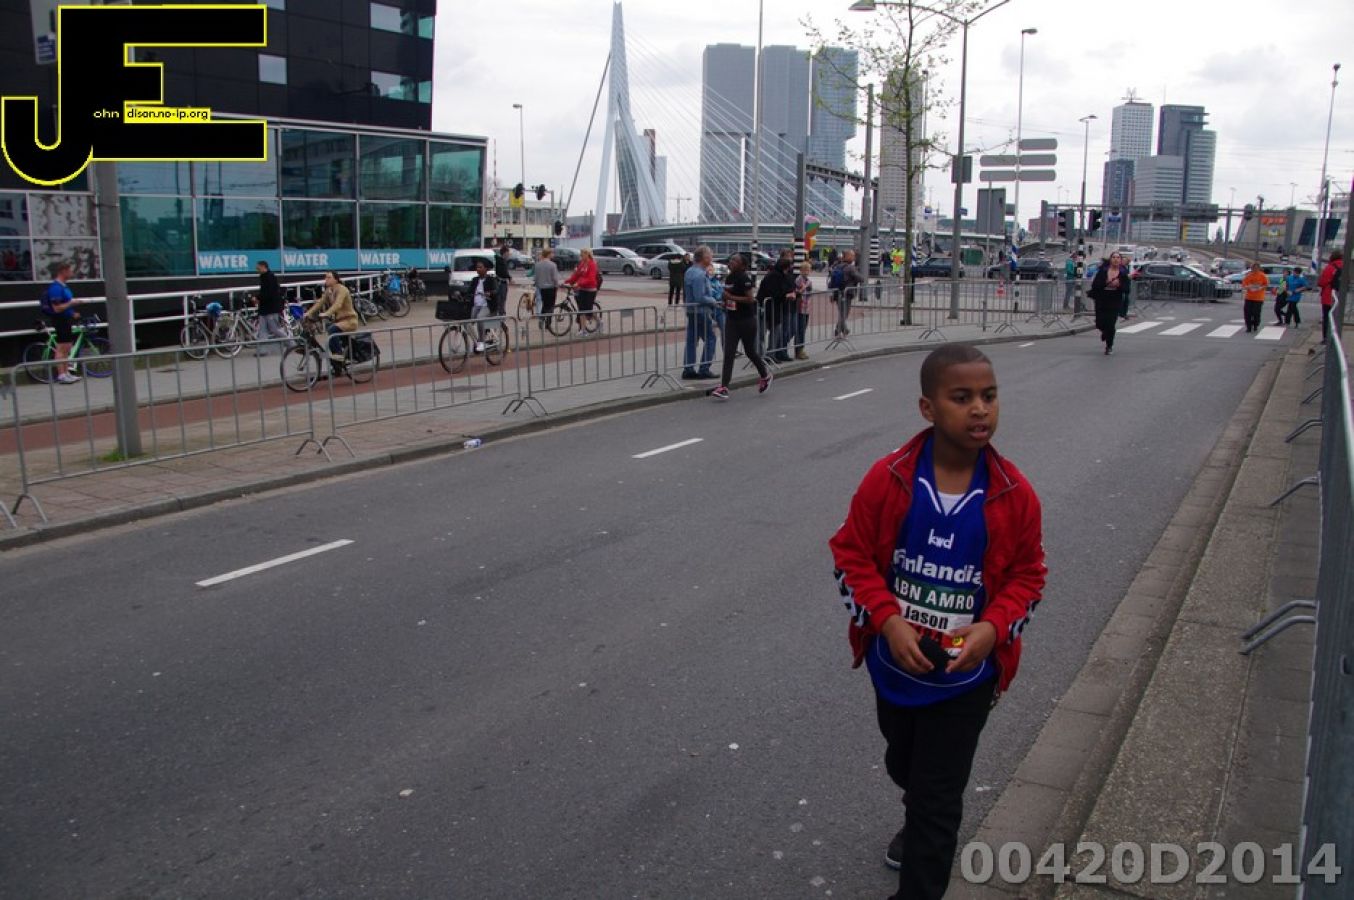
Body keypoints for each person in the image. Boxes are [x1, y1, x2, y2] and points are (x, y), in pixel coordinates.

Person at [829, 343, 1046, 900]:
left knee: (938, 796)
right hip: (897, 664)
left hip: (966, 675)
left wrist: (992, 629)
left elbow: (1028, 577)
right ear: (928, 408)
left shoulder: (1014, 494)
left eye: (989, 396)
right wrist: (887, 621)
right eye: (962, 397)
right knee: (904, 762)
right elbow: (851, 555)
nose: (980, 409)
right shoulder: (889, 479)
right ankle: (915, 802)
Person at [710, 253, 771, 400]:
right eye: (731, 259)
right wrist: (725, 301)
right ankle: (724, 387)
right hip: (732, 320)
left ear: (743, 265)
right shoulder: (729, 277)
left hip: (746, 320)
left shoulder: (744, 279)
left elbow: (750, 299)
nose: (731, 262)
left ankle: (765, 375)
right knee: (729, 353)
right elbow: (727, 294)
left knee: (750, 351)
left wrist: (731, 297)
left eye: (735, 261)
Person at [303, 271, 358, 367]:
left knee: (331, 330)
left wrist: (327, 313)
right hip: (339, 321)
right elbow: (320, 303)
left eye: (329, 278)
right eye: (325, 277)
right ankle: (337, 364)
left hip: (349, 320)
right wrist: (308, 313)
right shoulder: (329, 291)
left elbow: (338, 304)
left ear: (336, 279)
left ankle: (339, 355)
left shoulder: (342, 289)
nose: (326, 279)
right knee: (330, 332)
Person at [40, 261, 81, 383]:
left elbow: (64, 305)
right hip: (59, 319)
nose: (72, 273)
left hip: (65, 318)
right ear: (63, 271)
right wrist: (72, 303)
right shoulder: (56, 288)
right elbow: (57, 308)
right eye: (70, 271)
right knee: (61, 347)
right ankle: (61, 374)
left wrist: (72, 313)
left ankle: (66, 372)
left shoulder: (63, 286)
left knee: (67, 346)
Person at [681, 246, 718, 379]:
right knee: (711, 339)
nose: (712, 258)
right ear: (705, 258)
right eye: (710, 255)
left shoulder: (690, 271)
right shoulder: (700, 274)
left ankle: (688, 368)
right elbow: (700, 297)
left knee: (692, 340)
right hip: (701, 311)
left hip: (691, 310)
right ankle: (704, 368)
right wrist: (714, 300)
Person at [758, 251, 796, 363]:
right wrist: (787, 295)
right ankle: (761, 355)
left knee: (775, 332)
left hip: (776, 308)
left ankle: (771, 354)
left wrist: (792, 293)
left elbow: (789, 287)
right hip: (767, 307)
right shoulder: (774, 276)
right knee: (762, 333)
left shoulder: (782, 276)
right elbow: (775, 293)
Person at [1087, 252, 1129, 355]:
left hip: (1115, 299)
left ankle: (1109, 346)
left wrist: (1119, 285)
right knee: (1099, 323)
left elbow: (1127, 289)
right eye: (1113, 257)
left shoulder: (1123, 273)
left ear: (1120, 260)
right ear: (1110, 259)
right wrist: (1106, 282)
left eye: (1118, 257)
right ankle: (1104, 331)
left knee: (1111, 323)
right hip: (1102, 298)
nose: (1116, 259)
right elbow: (1095, 285)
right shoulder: (1103, 271)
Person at [562, 247, 600, 333]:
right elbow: (576, 275)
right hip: (582, 289)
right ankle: (583, 330)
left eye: (582, 254)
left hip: (590, 290)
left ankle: (599, 322)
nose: (580, 255)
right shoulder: (582, 264)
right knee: (582, 310)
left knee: (588, 311)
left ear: (587, 254)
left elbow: (591, 279)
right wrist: (567, 282)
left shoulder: (592, 264)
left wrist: (579, 283)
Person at [254, 260, 288, 354]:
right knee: (263, 329)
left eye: (258, 268)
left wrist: (258, 297)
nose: (257, 270)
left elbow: (269, 293)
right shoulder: (266, 277)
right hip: (266, 308)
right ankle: (262, 350)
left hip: (271, 308)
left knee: (274, 329)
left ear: (263, 267)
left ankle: (291, 343)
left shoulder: (269, 277)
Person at [466, 258, 498, 352]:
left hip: (487, 306)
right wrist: (461, 294)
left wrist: (490, 293)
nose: (478, 269)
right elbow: (469, 291)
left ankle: (481, 341)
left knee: (480, 318)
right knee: (466, 321)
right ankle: (476, 341)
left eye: (480, 267)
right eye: (477, 267)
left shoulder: (491, 280)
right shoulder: (475, 280)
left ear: (486, 269)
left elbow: (496, 290)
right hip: (476, 305)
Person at [832, 250, 863, 338]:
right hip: (847, 293)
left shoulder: (837, 266)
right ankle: (838, 330)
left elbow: (832, 281)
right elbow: (860, 278)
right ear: (848, 257)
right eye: (852, 256)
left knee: (842, 312)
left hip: (837, 292)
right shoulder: (850, 268)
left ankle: (843, 330)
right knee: (844, 313)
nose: (854, 258)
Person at [1317, 250, 1343, 342]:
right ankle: (1336, 338)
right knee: (1337, 318)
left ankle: (1326, 338)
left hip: (1328, 295)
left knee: (1327, 318)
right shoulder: (1345, 266)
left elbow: (1321, 282)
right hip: (1341, 295)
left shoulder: (1330, 267)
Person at [533, 248, 559, 330]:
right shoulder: (553, 265)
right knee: (551, 305)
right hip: (551, 287)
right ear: (548, 254)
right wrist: (557, 285)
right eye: (552, 253)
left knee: (545, 304)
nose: (553, 255)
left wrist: (538, 285)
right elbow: (555, 278)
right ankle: (548, 323)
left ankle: (542, 318)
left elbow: (536, 278)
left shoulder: (537, 265)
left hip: (542, 288)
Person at [1240, 261, 1268, 334]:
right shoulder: (1248, 275)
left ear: (1259, 268)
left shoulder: (1262, 275)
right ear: (1251, 268)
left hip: (1259, 298)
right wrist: (1247, 287)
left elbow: (1266, 284)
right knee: (1247, 313)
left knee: (1256, 313)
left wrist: (1261, 287)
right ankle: (1248, 327)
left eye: (1256, 268)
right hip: (1249, 297)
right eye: (1253, 268)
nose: (1255, 269)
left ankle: (1255, 324)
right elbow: (1244, 284)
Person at [793, 260, 813, 360]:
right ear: (801, 270)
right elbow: (798, 292)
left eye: (808, 270)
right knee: (799, 330)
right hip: (800, 308)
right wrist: (804, 288)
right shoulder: (798, 280)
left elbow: (810, 293)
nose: (806, 272)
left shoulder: (808, 281)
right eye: (804, 270)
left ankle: (801, 349)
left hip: (806, 308)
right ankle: (798, 350)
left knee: (803, 329)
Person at [493, 244, 512, 316]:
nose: (508, 254)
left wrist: (509, 277)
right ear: (505, 253)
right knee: (501, 298)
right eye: (508, 253)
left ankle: (501, 312)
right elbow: (503, 272)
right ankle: (501, 313)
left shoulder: (503, 261)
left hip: (502, 282)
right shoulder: (500, 261)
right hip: (501, 283)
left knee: (502, 299)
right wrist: (509, 277)